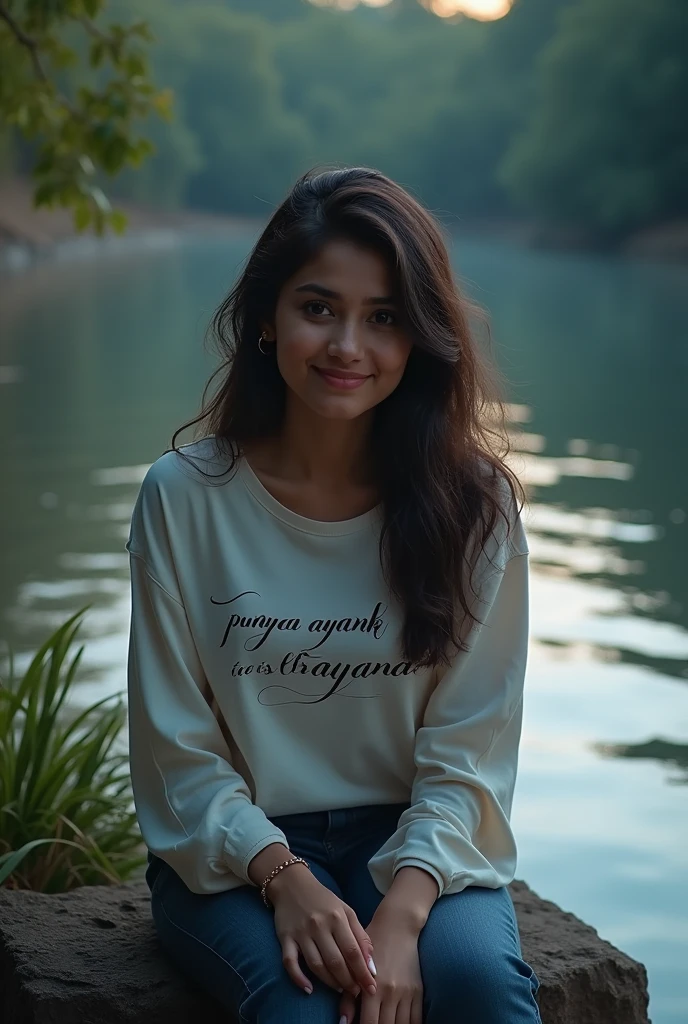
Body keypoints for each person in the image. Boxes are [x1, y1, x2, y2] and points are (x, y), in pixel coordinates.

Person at [126, 166, 542, 1024]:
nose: (348, 346)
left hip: (414, 837)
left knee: (481, 988)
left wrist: (406, 906)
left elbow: (471, 747)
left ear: (419, 338)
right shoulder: (184, 498)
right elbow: (177, 749)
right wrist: (283, 876)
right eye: (319, 308)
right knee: (301, 1006)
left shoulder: (476, 508)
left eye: (383, 318)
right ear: (268, 322)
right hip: (233, 857)